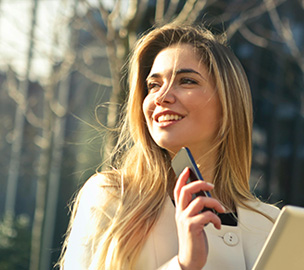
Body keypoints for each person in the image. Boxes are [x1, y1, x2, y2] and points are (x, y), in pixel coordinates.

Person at [58, 23, 280, 270]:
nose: (161, 96)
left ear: (228, 103)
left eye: (186, 81)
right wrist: (183, 264)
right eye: (153, 85)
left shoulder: (272, 225)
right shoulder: (111, 197)